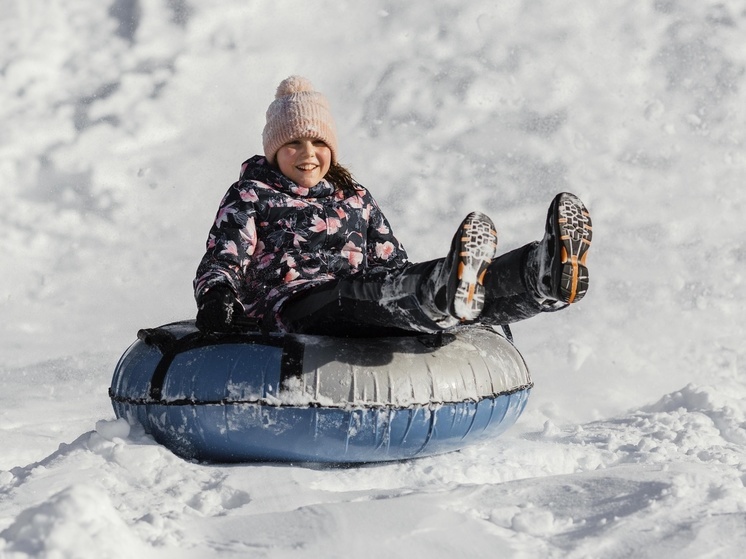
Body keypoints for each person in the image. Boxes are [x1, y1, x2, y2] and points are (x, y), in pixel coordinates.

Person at [194, 76, 592, 337]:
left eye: (319, 144)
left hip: (359, 298)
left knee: (402, 283)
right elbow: (223, 258)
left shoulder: (355, 197)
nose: (308, 154)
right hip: (293, 306)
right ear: (274, 150)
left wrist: (409, 281)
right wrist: (217, 298)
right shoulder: (252, 195)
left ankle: (536, 277)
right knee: (356, 295)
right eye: (293, 144)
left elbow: (390, 263)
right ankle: (440, 296)